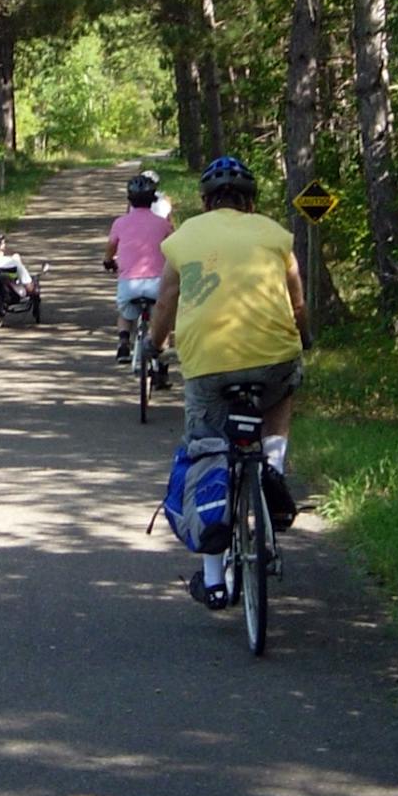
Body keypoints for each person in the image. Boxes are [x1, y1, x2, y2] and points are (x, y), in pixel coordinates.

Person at [146, 156, 308, 610]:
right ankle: (272, 467)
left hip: (209, 368)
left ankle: (214, 580)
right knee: (282, 392)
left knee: (206, 448)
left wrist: (154, 346)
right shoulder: (276, 235)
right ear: (251, 201)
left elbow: (165, 304)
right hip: (273, 359)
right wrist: (304, 336)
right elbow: (297, 304)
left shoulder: (183, 239)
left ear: (204, 201)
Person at [105, 171, 174, 365]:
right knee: (161, 322)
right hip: (157, 284)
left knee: (125, 314)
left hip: (129, 285)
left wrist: (108, 261)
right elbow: (173, 246)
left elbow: (111, 247)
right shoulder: (163, 224)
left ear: (129, 200)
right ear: (153, 199)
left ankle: (124, 343)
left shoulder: (120, 223)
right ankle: (161, 367)